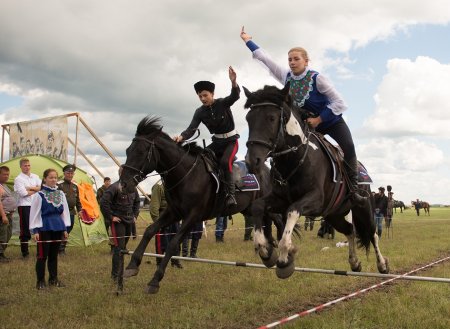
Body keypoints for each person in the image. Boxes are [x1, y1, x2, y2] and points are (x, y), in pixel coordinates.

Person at [240, 27, 366, 206]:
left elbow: (340, 103)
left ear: (306, 61)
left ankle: (354, 190)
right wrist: (248, 41)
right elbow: (266, 60)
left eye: (296, 59)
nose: (292, 62)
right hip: (306, 124)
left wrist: (319, 119)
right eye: (290, 59)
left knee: (349, 146)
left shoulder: (317, 79)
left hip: (330, 121)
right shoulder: (286, 76)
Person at [173, 66, 241, 208]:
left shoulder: (223, 103)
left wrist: (233, 82)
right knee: (200, 159)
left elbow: (235, 96)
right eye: (200, 96)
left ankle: (230, 195)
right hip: (216, 142)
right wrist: (181, 137)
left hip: (231, 141)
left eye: (205, 95)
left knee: (224, 163)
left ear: (212, 94)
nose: (203, 98)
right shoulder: (199, 112)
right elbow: (191, 129)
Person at [30, 168, 71, 289]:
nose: (53, 180)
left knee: (54, 255)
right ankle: (40, 282)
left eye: (55, 177)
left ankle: (53, 279)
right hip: (44, 227)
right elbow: (35, 213)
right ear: (45, 179)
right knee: (42, 256)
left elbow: (65, 212)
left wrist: (64, 229)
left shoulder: (61, 194)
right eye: (51, 177)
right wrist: (35, 230)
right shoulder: (39, 195)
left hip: (58, 226)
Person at [100, 166, 140, 282]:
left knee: (124, 248)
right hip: (118, 222)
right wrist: (111, 217)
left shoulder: (133, 188)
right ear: (121, 174)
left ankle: (120, 272)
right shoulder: (114, 187)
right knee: (119, 249)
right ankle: (116, 275)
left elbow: (137, 202)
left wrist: (135, 215)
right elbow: (103, 202)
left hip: (129, 220)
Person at [150, 179, 183, 268]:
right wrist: (157, 222)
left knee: (176, 240)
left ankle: (175, 261)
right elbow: (154, 207)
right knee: (162, 243)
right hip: (163, 217)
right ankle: (160, 262)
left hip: (175, 217)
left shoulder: (175, 183)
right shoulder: (158, 186)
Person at [14, 158, 42, 258]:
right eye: (25, 165)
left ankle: (40, 251)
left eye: (28, 165)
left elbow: (41, 187)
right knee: (25, 229)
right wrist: (36, 189)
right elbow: (23, 193)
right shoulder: (18, 179)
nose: (27, 167)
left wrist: (30, 188)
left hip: (36, 205)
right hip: (24, 206)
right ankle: (25, 253)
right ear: (21, 167)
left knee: (38, 227)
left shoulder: (35, 176)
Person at [57, 164, 83, 254]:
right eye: (68, 173)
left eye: (72, 173)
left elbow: (78, 200)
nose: (70, 175)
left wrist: (80, 210)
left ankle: (62, 247)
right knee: (61, 229)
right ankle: (59, 249)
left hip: (72, 212)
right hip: (61, 212)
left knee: (69, 228)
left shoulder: (75, 186)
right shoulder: (59, 185)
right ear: (64, 173)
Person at [0, 166, 17, 262]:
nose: (6, 176)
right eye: (4, 174)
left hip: (9, 214)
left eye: (7, 174)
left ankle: (2, 253)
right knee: (2, 235)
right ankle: (0, 254)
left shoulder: (4, 185)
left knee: (8, 234)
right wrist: (3, 215)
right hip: (3, 216)